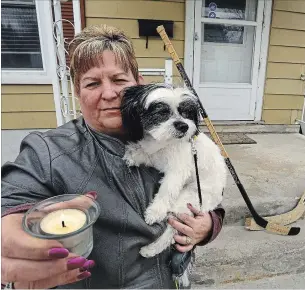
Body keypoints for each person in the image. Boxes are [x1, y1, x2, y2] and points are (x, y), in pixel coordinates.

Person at [1, 24, 225, 289]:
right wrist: (10, 233)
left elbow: (206, 187)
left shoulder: (173, 134)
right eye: (92, 83)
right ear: (77, 91)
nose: (109, 94)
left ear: (138, 84)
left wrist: (208, 225)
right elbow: (13, 199)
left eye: (119, 80)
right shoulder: (49, 151)